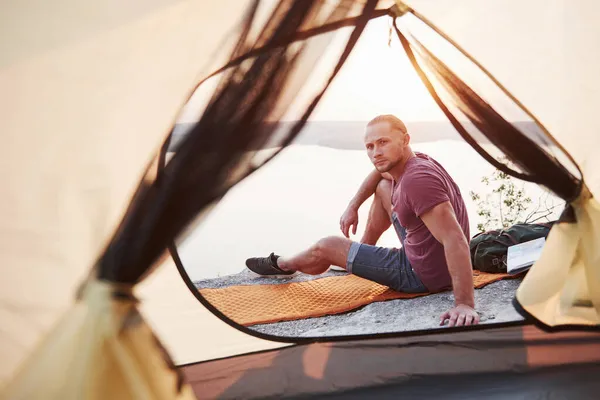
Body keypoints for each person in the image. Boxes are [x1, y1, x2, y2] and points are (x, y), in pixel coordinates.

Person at [245, 114, 479, 327]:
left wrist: (464, 303)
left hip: (419, 273)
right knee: (384, 187)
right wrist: (353, 206)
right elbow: (379, 173)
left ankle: (283, 264)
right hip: (427, 254)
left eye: (383, 142)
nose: (376, 152)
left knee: (326, 246)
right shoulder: (414, 162)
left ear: (405, 140)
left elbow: (454, 238)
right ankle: (362, 251)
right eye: (370, 146)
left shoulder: (416, 181)